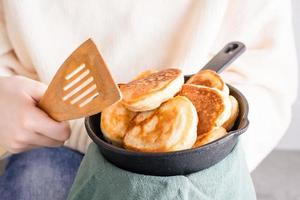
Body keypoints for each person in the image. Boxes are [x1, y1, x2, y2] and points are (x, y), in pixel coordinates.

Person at [0, 0, 298, 199]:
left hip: (193, 164)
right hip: (52, 145)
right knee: (36, 178)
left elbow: (267, 69)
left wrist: (199, 149)